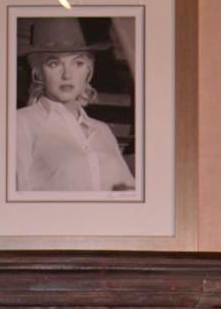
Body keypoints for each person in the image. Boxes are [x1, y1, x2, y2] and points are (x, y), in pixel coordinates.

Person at [16, 18, 135, 193]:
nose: (67, 74)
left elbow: (128, 194)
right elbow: (15, 200)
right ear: (39, 71)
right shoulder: (20, 122)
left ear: (89, 70)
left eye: (78, 63)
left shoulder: (102, 130)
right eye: (54, 63)